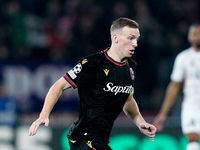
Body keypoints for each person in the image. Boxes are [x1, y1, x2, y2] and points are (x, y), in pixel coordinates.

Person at [29, 17, 156, 150]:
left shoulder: (131, 67)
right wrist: (43, 115)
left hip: (100, 140)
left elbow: (128, 99)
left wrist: (140, 122)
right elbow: (59, 85)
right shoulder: (93, 63)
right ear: (115, 37)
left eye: (137, 39)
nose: (135, 43)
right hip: (84, 138)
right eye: (130, 38)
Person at [153, 23, 200, 150]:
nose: (198, 37)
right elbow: (174, 87)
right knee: (193, 139)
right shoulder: (183, 58)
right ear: (189, 37)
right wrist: (163, 114)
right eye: (195, 34)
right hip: (192, 106)